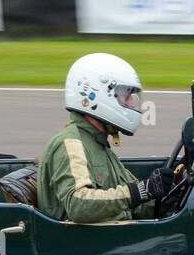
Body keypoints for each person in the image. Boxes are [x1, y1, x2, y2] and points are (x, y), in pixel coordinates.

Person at [38, 53, 173, 225]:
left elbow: (133, 207)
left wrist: (169, 194)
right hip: (85, 245)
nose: (132, 103)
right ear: (99, 94)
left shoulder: (99, 144)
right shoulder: (71, 144)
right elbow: (78, 205)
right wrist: (141, 191)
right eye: (126, 95)